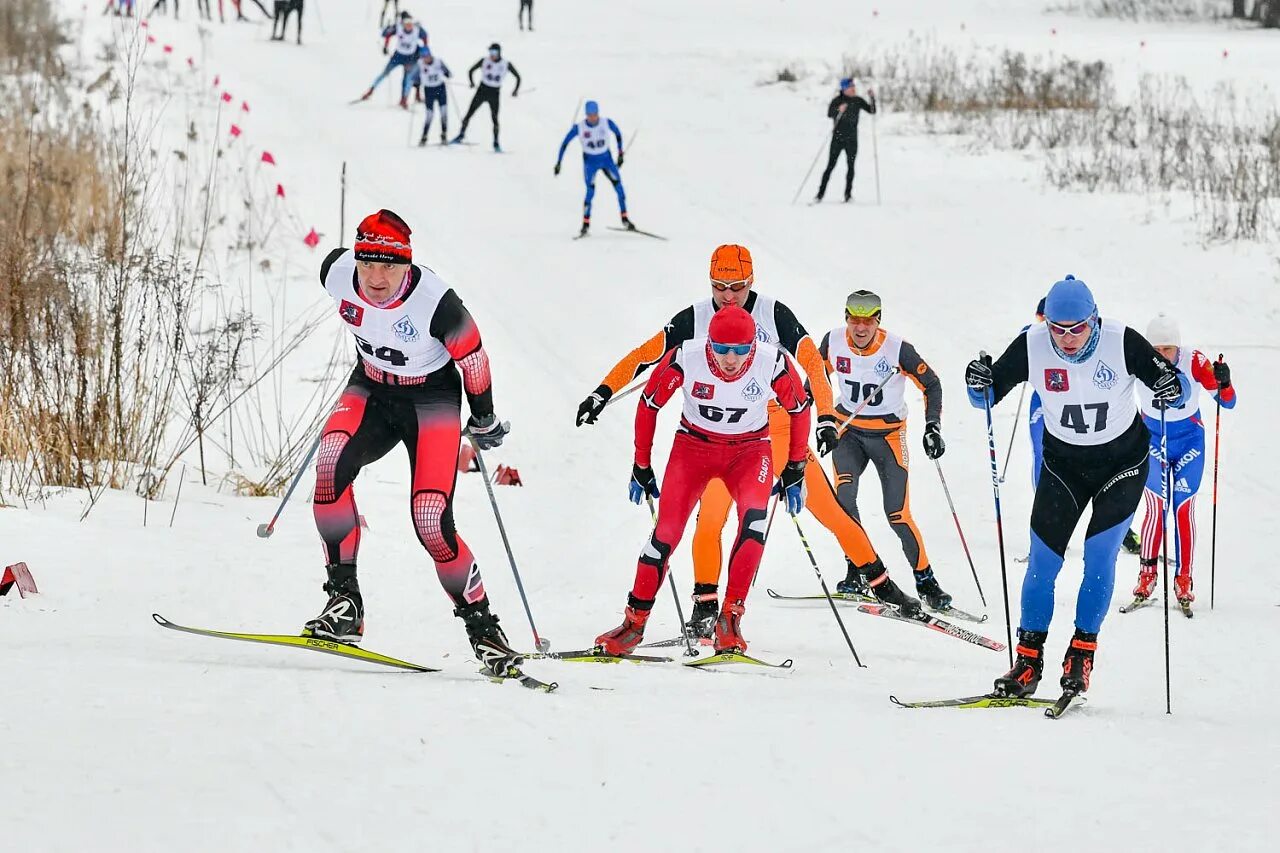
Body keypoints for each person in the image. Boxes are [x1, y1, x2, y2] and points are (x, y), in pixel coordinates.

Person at [577, 245, 904, 637]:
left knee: (827, 509)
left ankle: (882, 584)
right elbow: (646, 355)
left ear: (752, 281)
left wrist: (826, 417)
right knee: (709, 520)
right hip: (719, 437)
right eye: (719, 287)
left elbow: (812, 363)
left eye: (737, 287)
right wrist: (603, 390)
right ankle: (706, 607)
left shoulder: (772, 313)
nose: (728, 296)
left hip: (774, 427)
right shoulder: (697, 318)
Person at [308, 209, 522, 677]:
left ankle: (485, 630)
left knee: (429, 517)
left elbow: (474, 358)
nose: (376, 277)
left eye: (389, 265)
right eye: (368, 262)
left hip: (430, 399)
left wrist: (483, 418)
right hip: (371, 388)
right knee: (328, 470)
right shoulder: (336, 272)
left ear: (407, 265)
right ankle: (345, 603)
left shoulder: (437, 303)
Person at [965, 275, 1186, 699]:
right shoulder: (1032, 343)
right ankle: (1027, 661)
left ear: (1094, 319)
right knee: (1043, 564)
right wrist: (978, 383)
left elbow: (1171, 389)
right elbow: (987, 395)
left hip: (1121, 465)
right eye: (1057, 329)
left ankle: (1081, 654)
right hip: (1063, 466)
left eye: (1076, 328)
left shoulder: (1121, 341)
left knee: (1099, 558)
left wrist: (1170, 389)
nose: (1066, 339)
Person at [594, 306, 812, 655]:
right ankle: (633, 625)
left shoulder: (772, 362)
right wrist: (641, 464)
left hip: (750, 450)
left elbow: (800, 410)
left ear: (753, 346)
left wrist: (796, 468)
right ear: (708, 342)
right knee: (665, 534)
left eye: (740, 350)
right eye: (721, 348)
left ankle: (729, 621)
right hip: (693, 448)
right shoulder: (686, 357)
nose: (730, 358)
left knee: (754, 522)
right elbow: (649, 404)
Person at [817, 290, 950, 613]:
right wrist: (822, 422)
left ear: (878, 321)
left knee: (897, 514)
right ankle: (857, 570)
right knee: (843, 502)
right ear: (846, 318)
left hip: (888, 436)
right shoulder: (833, 342)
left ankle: (926, 581)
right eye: (854, 321)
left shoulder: (897, 348)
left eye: (868, 322)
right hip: (848, 432)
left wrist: (932, 427)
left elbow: (931, 384)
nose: (860, 329)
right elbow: (815, 378)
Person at [1130, 314, 1236, 613]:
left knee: (1183, 507)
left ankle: (1184, 578)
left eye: (1168, 349)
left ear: (1177, 347)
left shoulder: (1194, 360)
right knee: (1156, 506)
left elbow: (1227, 402)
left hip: (1190, 440)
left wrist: (1223, 381)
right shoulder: (1138, 359)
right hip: (1152, 439)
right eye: (1157, 349)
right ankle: (1147, 575)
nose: (1162, 355)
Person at [554, 100, 634, 237]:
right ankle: (585, 225)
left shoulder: (606, 122)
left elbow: (618, 133)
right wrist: (559, 162)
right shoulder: (579, 128)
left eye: (595, 114)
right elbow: (565, 143)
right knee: (590, 192)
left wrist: (620, 153)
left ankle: (625, 219)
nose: (593, 117)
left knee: (619, 188)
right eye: (590, 115)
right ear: (586, 115)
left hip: (606, 160)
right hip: (590, 162)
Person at [815, 78, 876, 203]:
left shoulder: (857, 100)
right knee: (830, 167)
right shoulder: (837, 101)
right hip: (837, 139)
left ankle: (848, 195)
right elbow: (829, 113)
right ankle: (820, 195)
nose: (853, 89)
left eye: (854, 86)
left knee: (851, 167)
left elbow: (872, 110)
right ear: (844, 89)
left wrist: (872, 98)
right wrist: (838, 110)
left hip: (852, 140)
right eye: (851, 87)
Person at [451, 43, 521, 152]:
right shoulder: (484, 61)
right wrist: (472, 83)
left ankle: (496, 143)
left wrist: (515, 91)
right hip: (482, 90)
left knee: (495, 119)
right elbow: (470, 70)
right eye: (490, 52)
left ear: (499, 53)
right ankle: (461, 135)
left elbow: (518, 77)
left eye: (494, 52)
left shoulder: (506, 64)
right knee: (469, 114)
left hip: (495, 93)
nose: (492, 55)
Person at [358, 12, 429, 108]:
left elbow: (425, 38)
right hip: (397, 57)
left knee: (409, 79)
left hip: (410, 59)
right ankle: (370, 91)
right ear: (403, 23)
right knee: (384, 73)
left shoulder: (417, 29)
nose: (409, 25)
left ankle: (404, 99)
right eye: (406, 23)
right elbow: (386, 34)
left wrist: (424, 51)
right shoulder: (398, 27)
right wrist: (386, 46)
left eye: (410, 22)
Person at [415, 49, 453, 145]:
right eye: (423, 57)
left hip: (440, 89)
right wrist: (416, 83)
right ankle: (424, 137)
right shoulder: (420, 64)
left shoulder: (438, 62)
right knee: (429, 115)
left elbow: (448, 72)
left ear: (430, 55)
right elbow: (414, 77)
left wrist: (447, 74)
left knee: (444, 112)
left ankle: (444, 135)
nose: (425, 59)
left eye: (426, 57)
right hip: (429, 91)